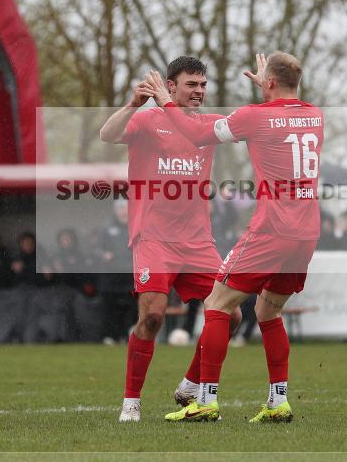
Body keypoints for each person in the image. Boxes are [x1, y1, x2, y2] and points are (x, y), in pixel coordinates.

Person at [144, 52, 323, 423]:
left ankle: (206, 399)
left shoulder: (254, 116)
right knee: (268, 310)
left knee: (217, 303)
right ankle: (278, 402)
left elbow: (195, 134)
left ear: (268, 82)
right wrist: (271, 88)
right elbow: (286, 109)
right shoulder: (315, 115)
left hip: (272, 228)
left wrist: (164, 99)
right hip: (307, 232)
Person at [99, 56, 241, 422]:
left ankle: (191, 384)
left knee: (233, 314)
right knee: (153, 317)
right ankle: (131, 402)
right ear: (171, 85)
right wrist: (132, 104)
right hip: (154, 239)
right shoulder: (148, 120)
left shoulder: (208, 126)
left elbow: (243, 127)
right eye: (191, 84)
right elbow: (108, 135)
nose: (199, 91)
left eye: (203, 85)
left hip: (197, 241)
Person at [93, 200, 137, 343]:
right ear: (115, 211)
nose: (124, 211)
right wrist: (104, 255)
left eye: (126, 208)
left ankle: (128, 336)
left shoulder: (136, 228)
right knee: (110, 308)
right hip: (111, 277)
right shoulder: (105, 229)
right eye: (121, 208)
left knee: (131, 308)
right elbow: (95, 250)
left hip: (130, 277)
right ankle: (110, 336)